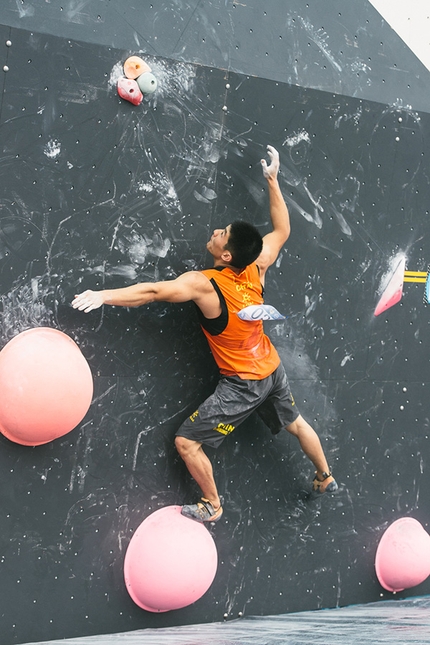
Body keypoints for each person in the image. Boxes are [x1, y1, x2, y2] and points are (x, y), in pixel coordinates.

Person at [72, 145, 338, 523]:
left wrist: (103, 295)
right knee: (295, 423)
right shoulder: (257, 265)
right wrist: (272, 180)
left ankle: (212, 505)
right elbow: (283, 230)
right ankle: (325, 476)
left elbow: (151, 291)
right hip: (272, 369)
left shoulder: (205, 285)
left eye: (222, 234)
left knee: (187, 442)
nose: (215, 232)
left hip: (244, 384)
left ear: (226, 255)